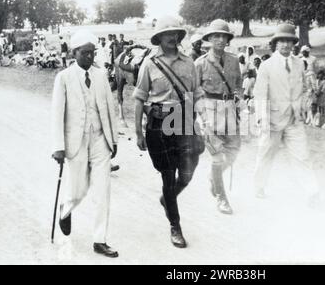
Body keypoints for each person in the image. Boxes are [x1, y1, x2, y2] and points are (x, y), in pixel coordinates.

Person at [134, 16, 205, 248]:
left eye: (175, 33)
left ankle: (168, 197)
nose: (172, 38)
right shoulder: (149, 64)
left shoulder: (188, 63)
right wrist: (138, 132)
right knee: (167, 172)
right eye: (167, 34)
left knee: (187, 172)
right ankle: (175, 226)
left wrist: (206, 119)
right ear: (159, 39)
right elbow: (140, 98)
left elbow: (197, 94)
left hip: (184, 121)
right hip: (160, 123)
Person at [51, 30, 119, 258]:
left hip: (100, 139)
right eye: (85, 53)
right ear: (74, 52)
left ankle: (100, 240)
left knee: (103, 191)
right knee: (78, 189)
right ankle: (66, 208)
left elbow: (110, 108)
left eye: (92, 53)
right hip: (75, 141)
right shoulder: (64, 78)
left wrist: (114, 140)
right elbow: (57, 114)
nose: (90, 57)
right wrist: (58, 146)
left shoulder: (101, 76)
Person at [253, 24, 320, 203]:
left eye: (289, 41)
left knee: (302, 155)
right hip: (272, 119)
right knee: (265, 154)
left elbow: (304, 88)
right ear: (275, 43)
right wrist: (262, 119)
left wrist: (304, 105)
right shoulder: (266, 66)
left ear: (294, 44)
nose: (285, 45)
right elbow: (260, 94)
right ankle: (259, 185)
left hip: (294, 119)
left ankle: (312, 192)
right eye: (281, 41)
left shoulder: (299, 64)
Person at [195, 19, 243, 215]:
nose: (220, 40)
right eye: (216, 36)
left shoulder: (233, 61)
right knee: (217, 157)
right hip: (209, 111)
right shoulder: (200, 63)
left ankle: (214, 178)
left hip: (229, 109)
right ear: (209, 39)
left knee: (233, 151)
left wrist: (239, 103)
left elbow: (238, 85)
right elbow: (194, 92)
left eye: (224, 36)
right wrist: (202, 116)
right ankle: (222, 198)